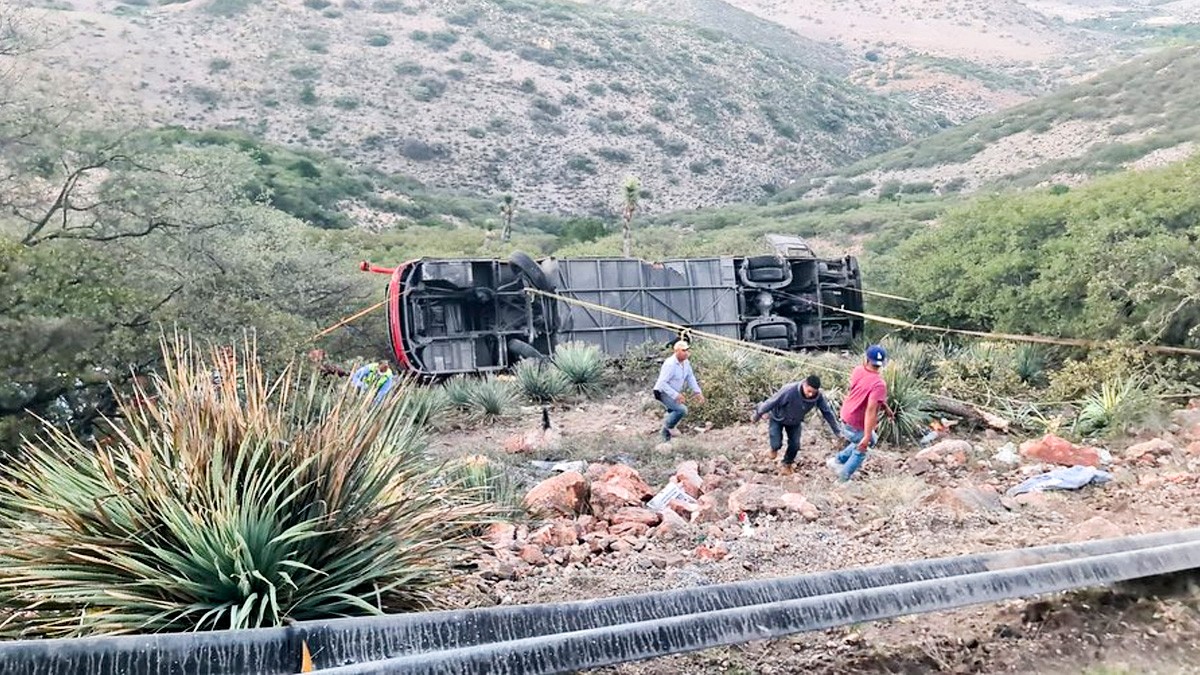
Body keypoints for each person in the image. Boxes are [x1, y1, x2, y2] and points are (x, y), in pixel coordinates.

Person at [828, 344, 895, 481]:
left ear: (866, 359)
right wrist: (866, 436)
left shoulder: (858, 370)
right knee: (864, 445)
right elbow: (871, 410)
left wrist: (886, 408)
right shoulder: (879, 384)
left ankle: (837, 460)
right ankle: (842, 480)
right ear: (882, 364)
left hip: (845, 416)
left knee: (871, 439)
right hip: (855, 423)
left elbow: (868, 395)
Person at [751, 374, 841, 475]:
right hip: (778, 418)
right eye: (809, 391)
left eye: (813, 392)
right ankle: (773, 449)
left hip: (795, 421)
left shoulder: (818, 396)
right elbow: (771, 402)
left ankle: (787, 464)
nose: (811, 394)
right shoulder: (789, 390)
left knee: (795, 445)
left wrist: (837, 432)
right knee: (776, 443)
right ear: (804, 385)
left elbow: (827, 412)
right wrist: (758, 414)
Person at [653, 340, 704, 442]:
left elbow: (690, 377)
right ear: (676, 351)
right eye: (684, 350)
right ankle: (668, 427)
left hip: (673, 391)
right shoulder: (670, 364)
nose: (687, 352)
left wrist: (697, 392)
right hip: (662, 392)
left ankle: (665, 439)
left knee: (674, 412)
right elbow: (662, 382)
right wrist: (676, 395)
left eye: (687, 350)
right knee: (681, 410)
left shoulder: (686, 363)